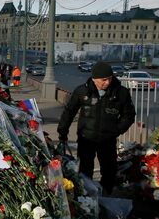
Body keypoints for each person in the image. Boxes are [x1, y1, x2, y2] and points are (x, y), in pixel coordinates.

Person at [57, 62, 135, 195]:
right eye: (103, 80)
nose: (107, 82)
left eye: (110, 78)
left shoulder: (121, 93)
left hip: (108, 139)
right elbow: (69, 112)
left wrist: (117, 130)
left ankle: (107, 194)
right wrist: (62, 132)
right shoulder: (82, 91)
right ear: (94, 79)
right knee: (85, 169)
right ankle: (85, 196)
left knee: (109, 170)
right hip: (86, 138)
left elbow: (129, 115)